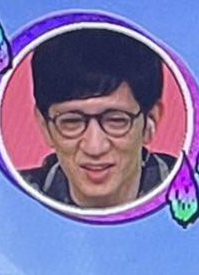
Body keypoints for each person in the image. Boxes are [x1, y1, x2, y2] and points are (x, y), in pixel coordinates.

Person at [19, 28, 177, 211]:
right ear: (44, 126)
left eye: (116, 120)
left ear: (151, 121)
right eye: (72, 122)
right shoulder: (10, 201)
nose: (94, 148)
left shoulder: (198, 192)